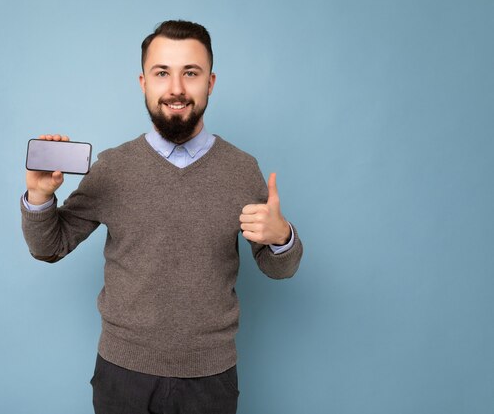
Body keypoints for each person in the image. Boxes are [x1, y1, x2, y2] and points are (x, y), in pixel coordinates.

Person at [21, 20, 303, 414]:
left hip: (211, 378)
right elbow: (49, 246)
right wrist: (39, 196)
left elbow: (279, 268)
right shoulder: (113, 168)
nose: (176, 88)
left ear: (210, 82)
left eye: (191, 73)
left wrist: (281, 236)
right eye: (162, 73)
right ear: (143, 83)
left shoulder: (241, 169)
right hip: (122, 375)